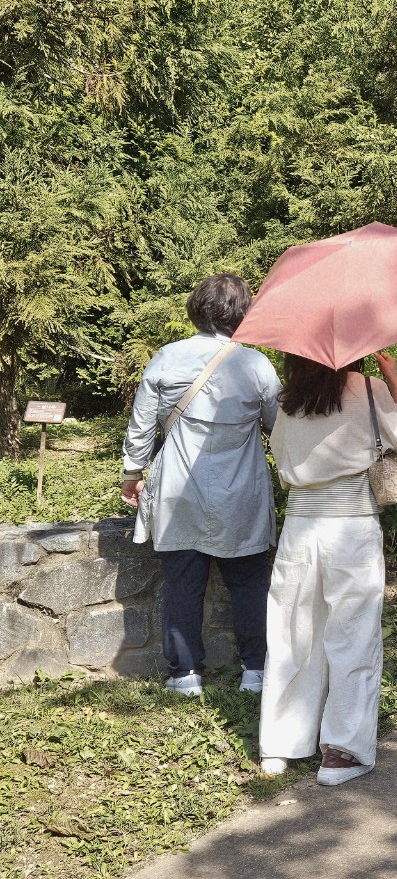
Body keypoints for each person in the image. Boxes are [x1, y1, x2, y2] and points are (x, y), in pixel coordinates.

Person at [258, 351, 397, 785]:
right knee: (352, 635)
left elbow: (282, 463)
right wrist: (391, 375)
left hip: (300, 526)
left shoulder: (289, 399)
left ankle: (279, 745)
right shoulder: (368, 388)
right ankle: (342, 752)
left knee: (293, 633)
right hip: (351, 526)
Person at [121, 274, 281, 698]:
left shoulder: (167, 359)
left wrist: (131, 474)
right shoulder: (256, 365)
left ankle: (185, 673)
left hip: (180, 489)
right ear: (241, 313)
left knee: (181, 581)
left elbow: (141, 428)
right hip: (240, 489)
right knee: (248, 581)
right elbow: (277, 427)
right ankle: (256, 669)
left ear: (197, 309)